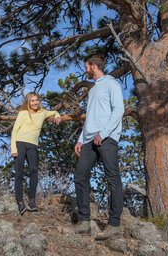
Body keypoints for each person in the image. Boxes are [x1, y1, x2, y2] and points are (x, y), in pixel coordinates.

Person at [74, 54, 124, 236]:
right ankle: (84, 221)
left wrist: (104, 133)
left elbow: (119, 109)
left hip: (107, 137)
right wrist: (80, 138)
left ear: (93, 66)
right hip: (89, 139)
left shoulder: (111, 84)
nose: (85, 70)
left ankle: (114, 225)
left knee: (112, 177)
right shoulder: (93, 89)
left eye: (86, 66)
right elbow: (91, 116)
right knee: (80, 176)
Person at [11, 92, 61, 215]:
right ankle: (20, 202)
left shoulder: (42, 113)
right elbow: (14, 130)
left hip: (33, 145)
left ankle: (32, 201)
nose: (35, 103)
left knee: (34, 171)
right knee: (19, 173)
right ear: (28, 102)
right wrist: (13, 149)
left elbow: (54, 112)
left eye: (36, 100)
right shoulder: (23, 113)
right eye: (32, 101)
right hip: (20, 144)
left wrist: (58, 115)